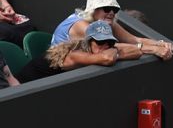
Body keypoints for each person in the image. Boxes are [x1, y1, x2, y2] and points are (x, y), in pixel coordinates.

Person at [51, 0, 173, 58]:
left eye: (114, 9)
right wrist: (153, 50)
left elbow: (136, 40)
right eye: (106, 8)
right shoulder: (81, 25)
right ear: (93, 10)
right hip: (57, 71)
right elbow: (108, 47)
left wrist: (161, 44)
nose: (111, 12)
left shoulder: (106, 22)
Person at [15, 21, 146, 83]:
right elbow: (107, 59)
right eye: (100, 42)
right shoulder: (74, 54)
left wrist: (115, 50)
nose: (106, 46)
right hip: (21, 87)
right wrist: (118, 52)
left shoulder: (98, 50)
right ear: (88, 42)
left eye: (110, 43)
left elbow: (137, 51)